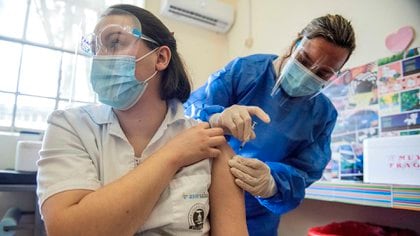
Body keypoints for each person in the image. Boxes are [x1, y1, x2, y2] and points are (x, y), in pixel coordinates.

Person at [36, 4, 248, 236]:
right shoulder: (69, 126)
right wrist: (173, 154)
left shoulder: (208, 143)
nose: (100, 58)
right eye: (95, 48)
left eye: (114, 42)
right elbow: (67, 230)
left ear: (161, 57)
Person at [185, 14, 356, 235]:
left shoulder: (322, 115)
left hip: (257, 217)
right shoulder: (245, 72)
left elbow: (304, 172)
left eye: (322, 73)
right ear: (295, 43)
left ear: (335, 75)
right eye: (303, 60)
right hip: (202, 197)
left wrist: (272, 183)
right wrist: (217, 118)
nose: (307, 74)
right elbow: (187, 118)